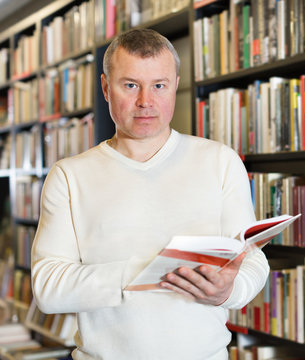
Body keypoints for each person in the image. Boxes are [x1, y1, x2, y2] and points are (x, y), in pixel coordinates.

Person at [31, 28, 269, 360]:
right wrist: (151, 270)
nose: (146, 101)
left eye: (159, 85)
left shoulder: (220, 161)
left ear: (175, 85)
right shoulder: (69, 176)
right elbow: (48, 288)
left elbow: (252, 257)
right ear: (105, 88)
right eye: (131, 85)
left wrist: (228, 291)